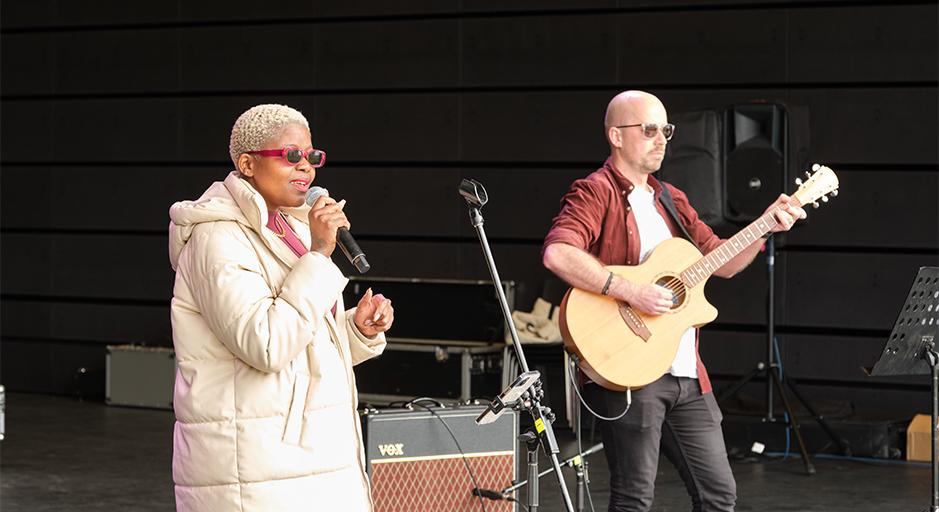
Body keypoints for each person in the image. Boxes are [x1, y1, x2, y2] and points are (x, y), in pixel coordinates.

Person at [542, 91, 806, 512]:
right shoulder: (595, 192)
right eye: (648, 130)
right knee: (634, 499)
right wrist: (631, 290)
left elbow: (721, 262)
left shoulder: (671, 198)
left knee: (719, 495)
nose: (661, 138)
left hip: (685, 373)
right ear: (615, 135)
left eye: (665, 129)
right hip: (631, 368)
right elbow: (559, 254)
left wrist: (766, 227)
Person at [168, 104, 394, 512]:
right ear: (248, 164)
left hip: (310, 456)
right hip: (254, 463)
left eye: (312, 156)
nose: (305, 168)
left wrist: (356, 330)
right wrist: (322, 254)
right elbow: (266, 343)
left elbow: (301, 340)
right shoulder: (216, 239)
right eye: (291, 156)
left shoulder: (292, 227)